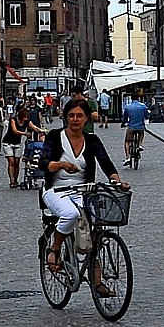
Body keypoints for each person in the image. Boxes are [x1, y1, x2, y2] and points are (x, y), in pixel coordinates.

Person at [35, 98, 114, 291]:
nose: (75, 119)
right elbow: (44, 164)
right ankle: (55, 247)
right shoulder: (55, 136)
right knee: (71, 214)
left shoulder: (92, 140)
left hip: (83, 190)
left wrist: (116, 179)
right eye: (71, 115)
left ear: (87, 118)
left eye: (80, 115)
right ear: (65, 117)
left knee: (95, 227)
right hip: (56, 190)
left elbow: (106, 162)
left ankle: (97, 280)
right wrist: (61, 164)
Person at [121, 91, 150, 170]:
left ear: (131, 98)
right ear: (138, 98)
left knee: (127, 141)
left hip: (131, 127)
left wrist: (123, 124)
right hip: (140, 126)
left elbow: (125, 118)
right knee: (141, 133)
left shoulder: (128, 107)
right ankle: (139, 144)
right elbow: (147, 116)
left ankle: (127, 157)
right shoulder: (143, 106)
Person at [3, 101, 25, 188]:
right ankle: (11, 180)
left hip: (17, 143)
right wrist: (24, 133)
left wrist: (41, 131)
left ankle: (16, 180)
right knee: (11, 162)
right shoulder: (13, 120)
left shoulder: (26, 122)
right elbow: (14, 130)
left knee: (17, 162)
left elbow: (34, 127)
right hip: (8, 142)